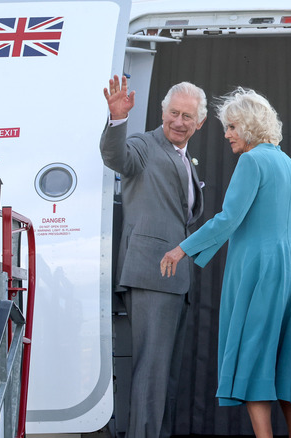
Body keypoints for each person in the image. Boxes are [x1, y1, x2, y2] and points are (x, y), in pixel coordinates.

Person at [160, 87, 291, 438]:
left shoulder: (251, 161)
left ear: (249, 126)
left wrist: (182, 249)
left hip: (256, 271)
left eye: (233, 126)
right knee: (290, 360)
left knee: (253, 355)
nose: (227, 134)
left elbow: (229, 218)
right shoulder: (289, 165)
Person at [100, 75, 207, 438]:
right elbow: (117, 157)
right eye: (173, 113)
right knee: (152, 370)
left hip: (175, 278)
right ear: (163, 113)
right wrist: (117, 120)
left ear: (200, 122)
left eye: (187, 116)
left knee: (166, 374)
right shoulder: (144, 144)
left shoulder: (185, 157)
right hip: (150, 272)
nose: (179, 121)